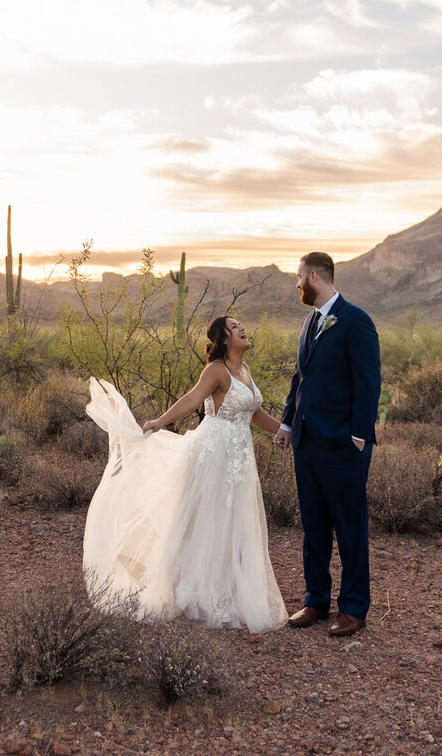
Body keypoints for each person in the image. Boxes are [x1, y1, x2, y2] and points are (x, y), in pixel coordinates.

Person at [82, 316, 289, 632]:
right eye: (233, 328)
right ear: (223, 340)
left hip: (238, 457)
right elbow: (193, 398)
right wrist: (160, 421)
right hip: (212, 452)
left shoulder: (244, 371)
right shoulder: (216, 370)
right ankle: (204, 596)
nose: (241, 329)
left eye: (240, 325)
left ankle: (221, 591)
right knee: (208, 521)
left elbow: (254, 412)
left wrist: (286, 431)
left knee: (231, 520)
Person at [274, 252, 380, 637]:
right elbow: (299, 378)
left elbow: (368, 382)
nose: (297, 284)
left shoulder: (356, 320)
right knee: (313, 525)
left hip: (342, 445)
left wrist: (357, 436)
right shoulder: (310, 321)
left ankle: (353, 608)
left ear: (314, 276)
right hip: (306, 443)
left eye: (299, 277)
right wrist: (287, 422)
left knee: (349, 527)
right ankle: (315, 599)